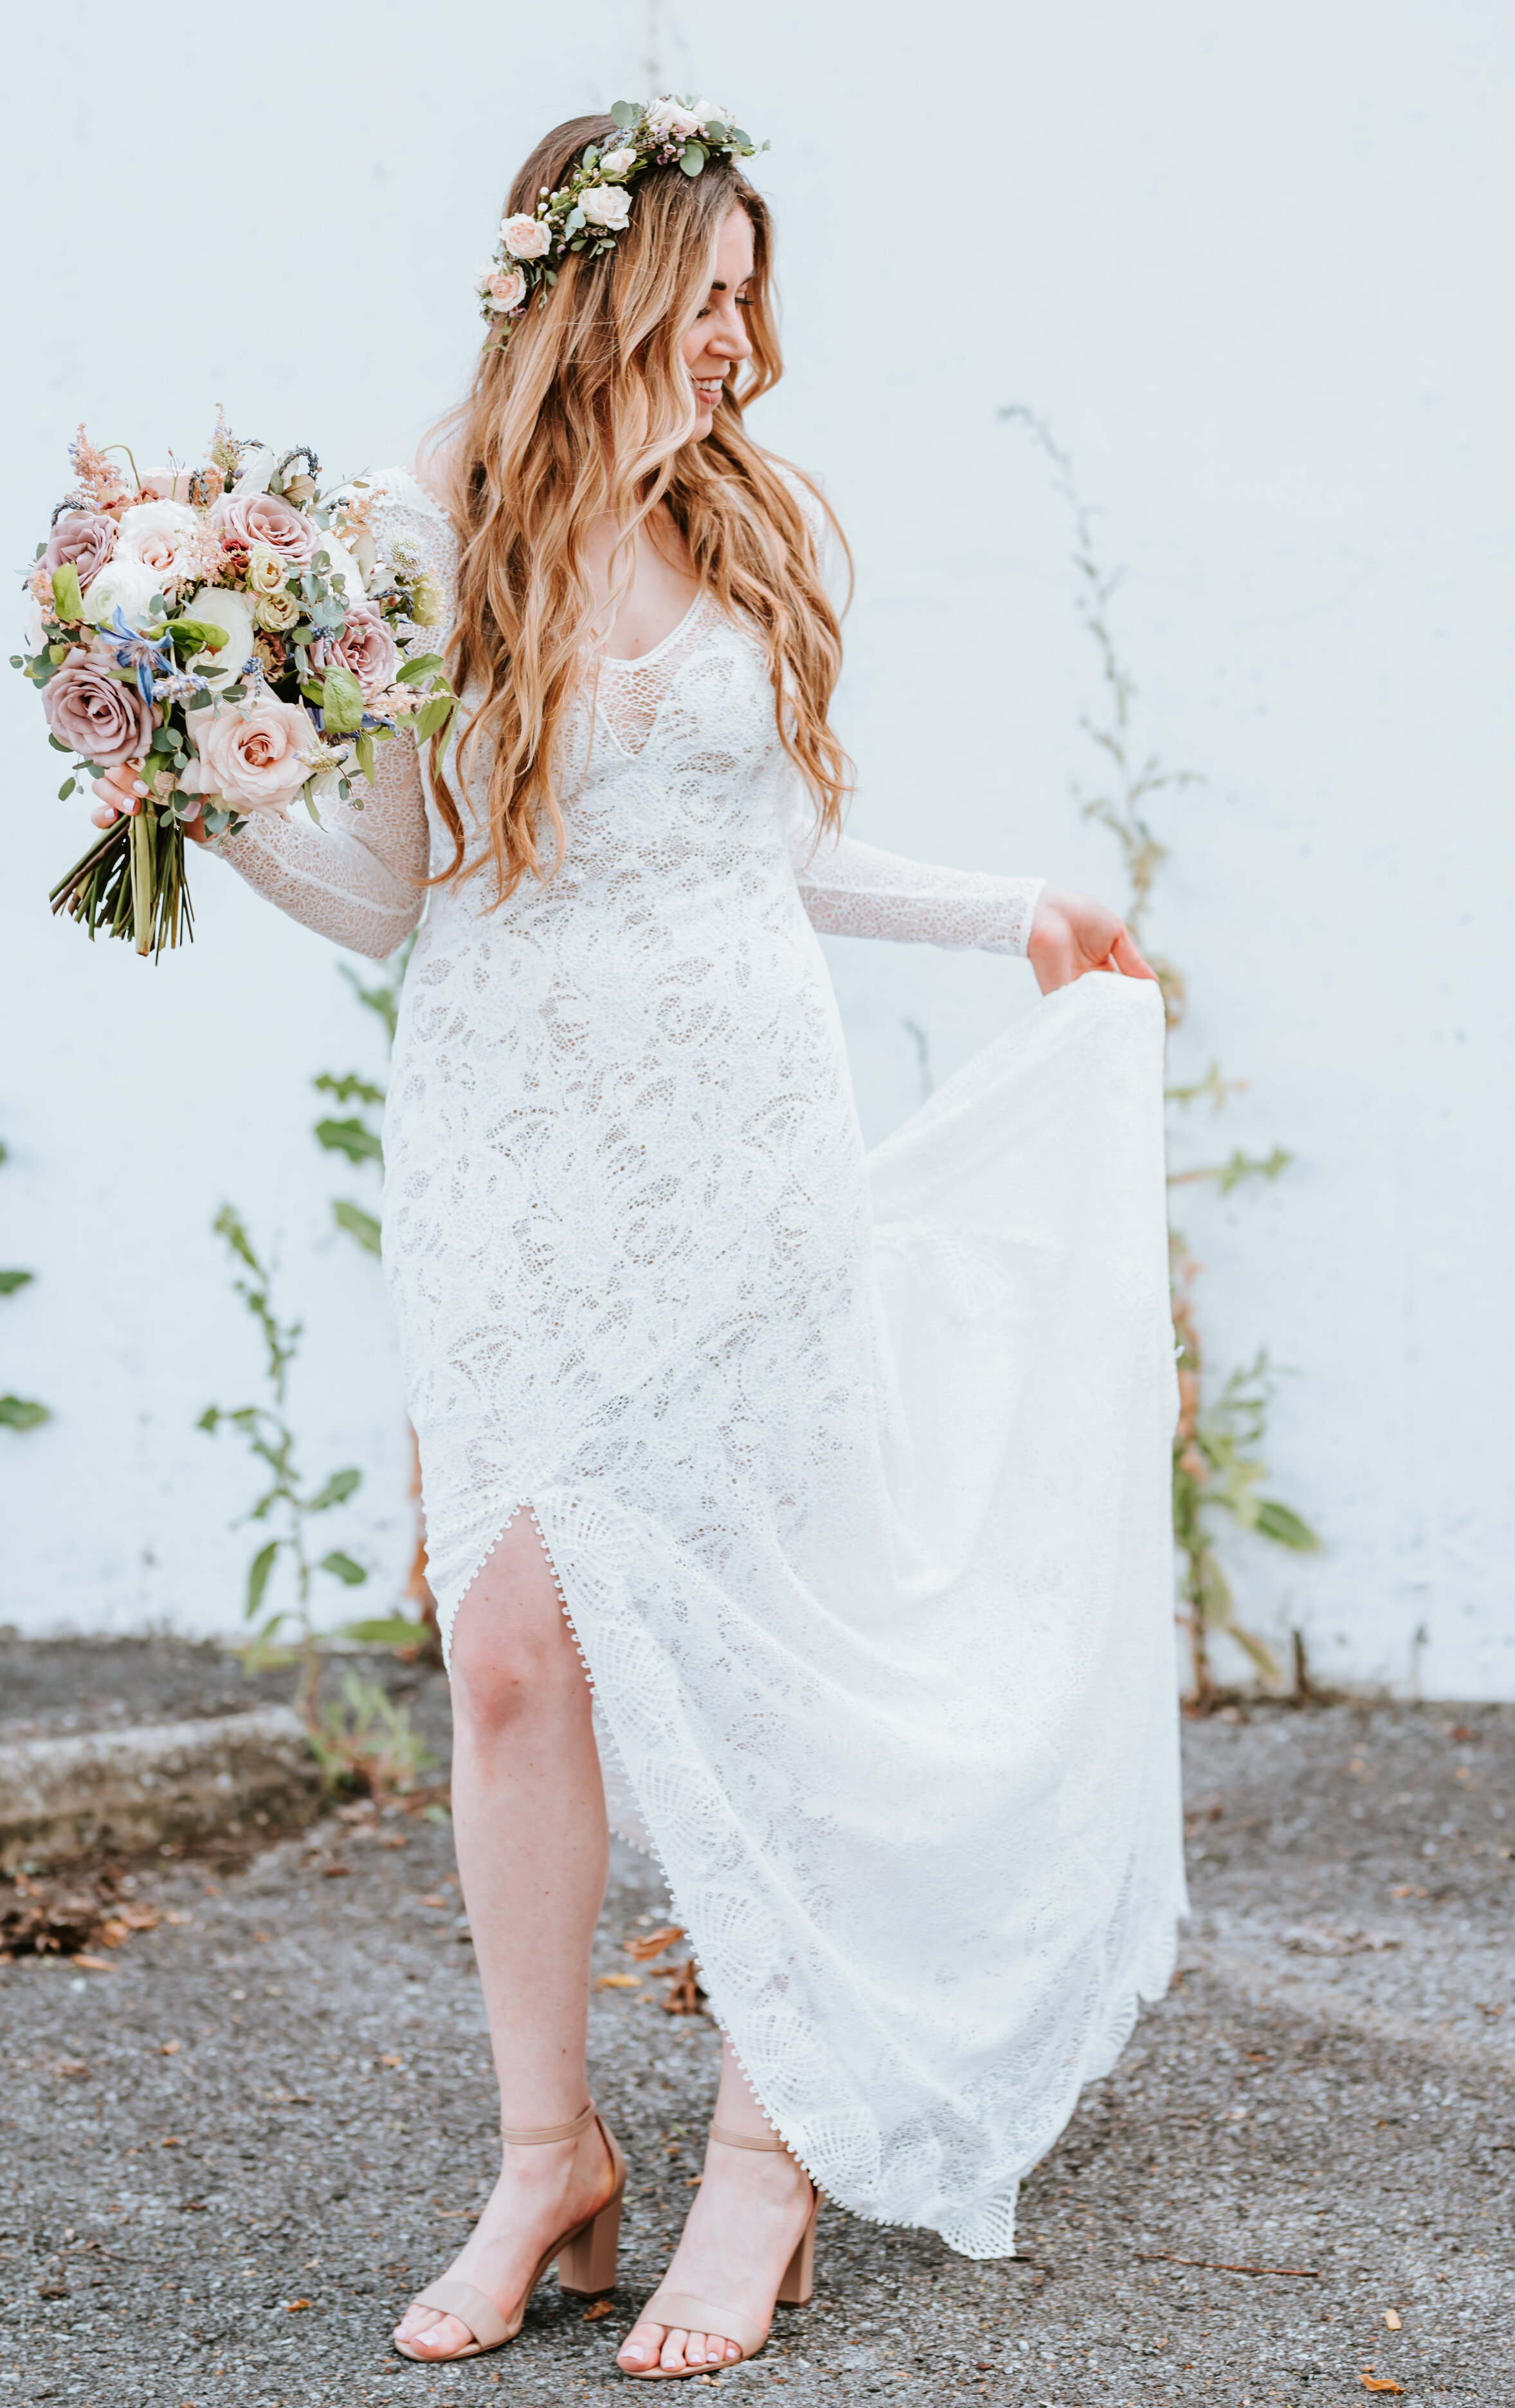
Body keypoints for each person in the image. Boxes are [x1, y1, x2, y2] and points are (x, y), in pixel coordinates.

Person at [177, 100, 1186, 2379]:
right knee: (515, 1650)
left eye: (751, 296)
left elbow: (777, 855)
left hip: (740, 1137)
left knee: (757, 1645)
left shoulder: (750, 522)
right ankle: (551, 2156)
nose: (742, 342)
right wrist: (222, 798)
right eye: (705, 295)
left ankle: (766, 2151)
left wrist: (1011, 907)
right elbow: (395, 895)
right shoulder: (420, 526)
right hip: (505, 1143)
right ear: (593, 298)